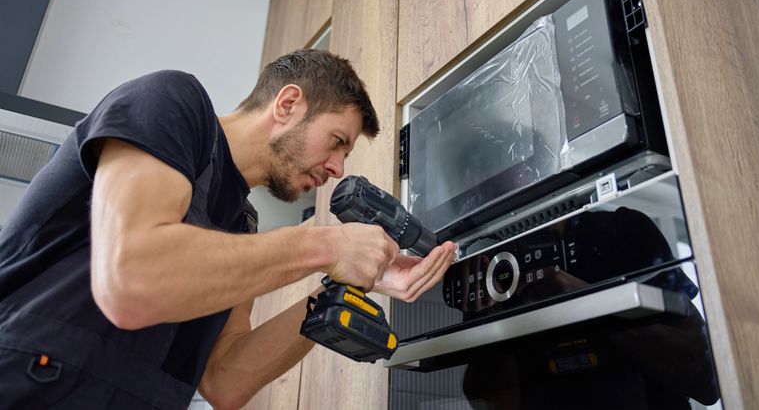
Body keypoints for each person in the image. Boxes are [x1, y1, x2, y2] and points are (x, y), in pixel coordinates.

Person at [0, 49, 457, 409]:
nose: (337, 168)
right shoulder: (172, 103)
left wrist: (347, 283)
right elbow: (132, 279)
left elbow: (225, 380)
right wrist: (328, 244)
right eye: (337, 141)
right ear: (288, 104)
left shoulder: (241, 227)